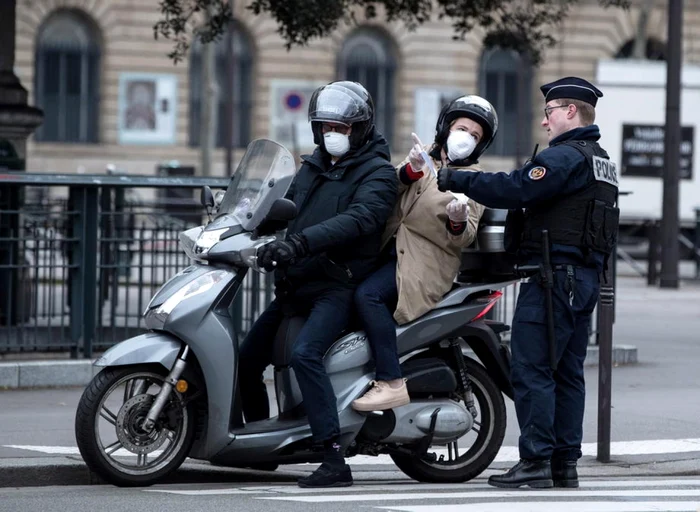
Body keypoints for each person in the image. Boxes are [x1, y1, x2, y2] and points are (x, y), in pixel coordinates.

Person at [437, 77, 619, 489]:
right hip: (583, 278)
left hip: (554, 278)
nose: (545, 122)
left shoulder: (566, 157)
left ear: (570, 111)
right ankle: (563, 465)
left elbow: (517, 186)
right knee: (568, 373)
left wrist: (455, 178)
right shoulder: (601, 159)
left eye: (550, 112)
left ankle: (535, 462)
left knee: (533, 369)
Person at [238, 80, 398, 488]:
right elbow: (282, 206)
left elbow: (362, 219)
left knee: (306, 354)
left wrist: (299, 244)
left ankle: (333, 458)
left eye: (341, 129)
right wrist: (241, 223)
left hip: (336, 283)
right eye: (325, 127)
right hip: (296, 283)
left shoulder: (378, 172)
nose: (333, 135)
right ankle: (261, 444)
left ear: (360, 129)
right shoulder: (311, 166)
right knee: (248, 357)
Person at [351, 95, 499, 412]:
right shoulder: (424, 160)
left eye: (475, 136)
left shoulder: (475, 179)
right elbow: (383, 192)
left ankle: (390, 381)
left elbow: (466, 234)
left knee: (369, 296)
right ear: (445, 127)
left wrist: (458, 221)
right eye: (462, 129)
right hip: (387, 252)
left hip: (422, 266)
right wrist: (409, 171)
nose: (467, 138)